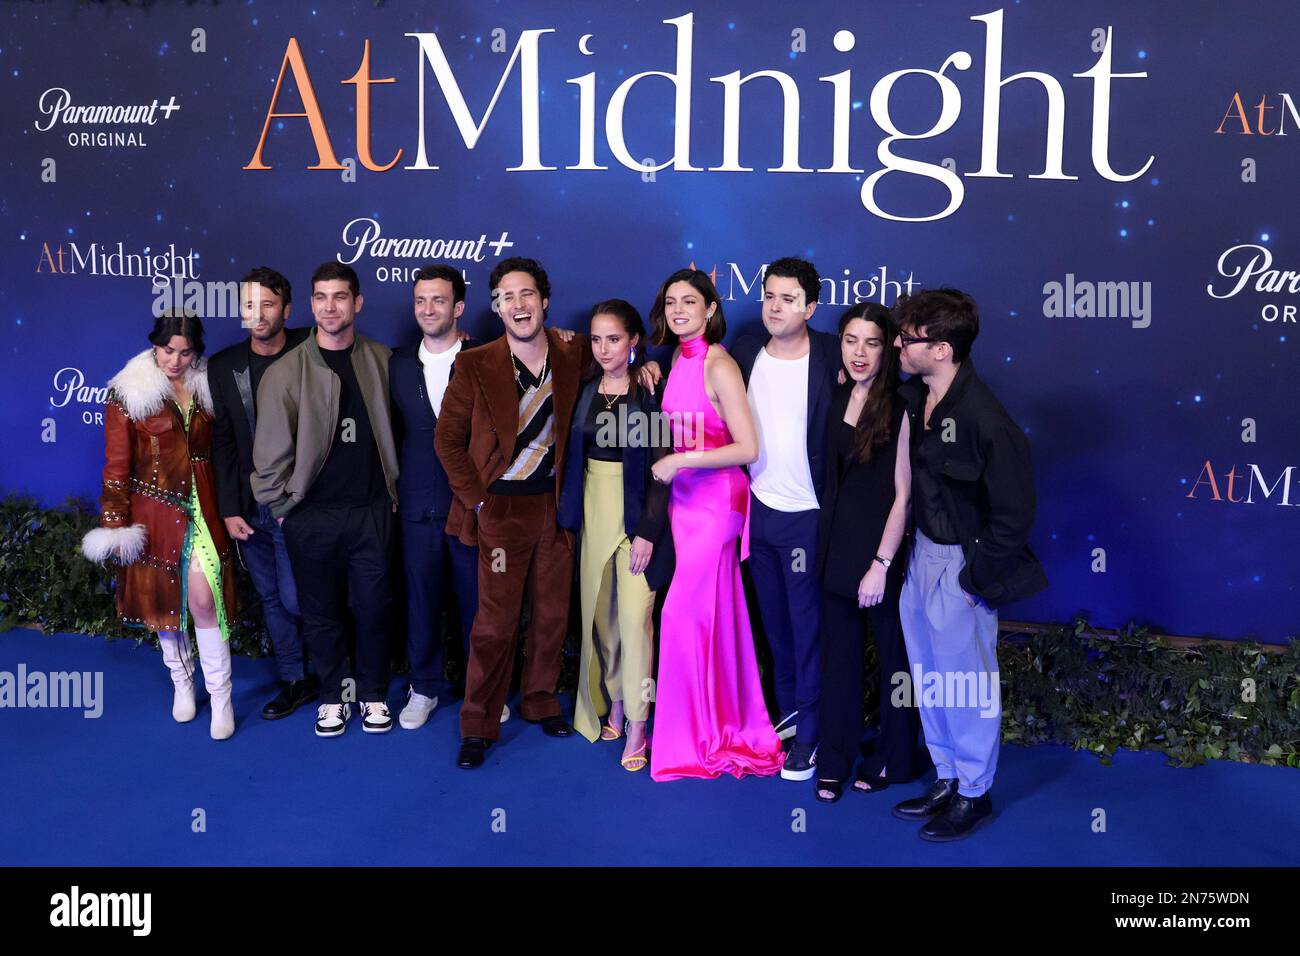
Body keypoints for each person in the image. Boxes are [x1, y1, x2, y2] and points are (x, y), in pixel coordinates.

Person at [889, 288, 1047, 841]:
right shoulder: (915, 397)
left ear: (942, 349)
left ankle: (975, 794)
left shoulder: (987, 421)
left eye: (908, 339)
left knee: (966, 685)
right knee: (930, 678)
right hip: (919, 557)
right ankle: (948, 776)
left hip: (962, 566)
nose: (898, 344)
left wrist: (974, 580)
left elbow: (1014, 514)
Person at [434, 256, 588, 769]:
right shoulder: (476, 363)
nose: (518, 305)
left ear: (544, 300)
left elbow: (616, 365)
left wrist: (644, 361)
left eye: (527, 294)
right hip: (501, 511)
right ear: (497, 307)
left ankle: (541, 700)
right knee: (495, 624)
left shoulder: (574, 352)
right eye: (506, 297)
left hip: (556, 508)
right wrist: (478, 499)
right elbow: (447, 441)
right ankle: (479, 721)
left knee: (551, 614)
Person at [252, 262, 400, 738]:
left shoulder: (382, 359)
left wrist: (391, 494)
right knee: (320, 612)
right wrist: (282, 510)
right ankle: (335, 695)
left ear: (357, 303)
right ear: (311, 304)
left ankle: (374, 693)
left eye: (340, 297)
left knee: (374, 607)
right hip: (310, 515)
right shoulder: (284, 372)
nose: (330, 306)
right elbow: (270, 450)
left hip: (371, 510)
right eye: (321, 297)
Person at [647, 268, 784, 781]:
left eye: (689, 301)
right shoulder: (675, 361)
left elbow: (747, 447)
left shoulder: (720, 364)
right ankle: (715, 724)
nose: (678, 310)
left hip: (717, 504)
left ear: (710, 308)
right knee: (714, 615)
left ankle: (694, 740)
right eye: (670, 302)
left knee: (683, 615)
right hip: (685, 505)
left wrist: (681, 462)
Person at [82, 312, 239, 740]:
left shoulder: (210, 386)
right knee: (165, 607)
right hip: (153, 511)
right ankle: (182, 683)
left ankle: (221, 697)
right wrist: (115, 522)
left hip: (203, 506)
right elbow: (116, 466)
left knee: (204, 602)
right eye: (168, 350)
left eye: (185, 352)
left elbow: (227, 449)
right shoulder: (128, 393)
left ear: (196, 352)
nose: (175, 359)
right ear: (155, 345)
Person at [730, 257, 842, 781]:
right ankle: (789, 717)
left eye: (788, 299)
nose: (775, 307)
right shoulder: (746, 350)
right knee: (773, 623)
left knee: (807, 627)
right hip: (758, 511)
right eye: (769, 296)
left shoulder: (831, 356)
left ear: (811, 307)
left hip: (809, 515)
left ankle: (812, 737)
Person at [813, 303, 927, 803]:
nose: (860, 352)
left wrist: (881, 564)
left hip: (881, 555)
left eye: (872, 342)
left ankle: (892, 756)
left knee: (893, 663)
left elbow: (903, 494)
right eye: (851, 340)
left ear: (889, 349)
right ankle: (834, 758)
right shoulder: (837, 394)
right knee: (838, 662)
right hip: (836, 549)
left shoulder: (903, 405)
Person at [557, 299, 674, 771]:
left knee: (634, 624)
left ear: (633, 342)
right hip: (591, 512)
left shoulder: (647, 394)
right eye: (596, 339)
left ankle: (640, 726)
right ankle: (616, 708)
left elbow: (659, 472)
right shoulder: (585, 386)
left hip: (635, 519)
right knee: (602, 625)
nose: (604, 349)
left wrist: (647, 531)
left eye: (614, 339)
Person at [209, 266, 316, 720]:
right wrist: (230, 509)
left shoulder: (313, 349)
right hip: (251, 508)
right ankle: (295, 680)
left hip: (302, 502)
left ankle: (330, 673)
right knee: (272, 598)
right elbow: (224, 443)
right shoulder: (223, 364)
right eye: (249, 304)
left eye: (267, 304)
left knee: (299, 597)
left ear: (286, 310)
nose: (257, 313)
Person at [388, 263, 482, 729]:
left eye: (439, 300)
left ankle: (478, 692)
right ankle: (422, 688)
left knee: (475, 603)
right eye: (421, 300)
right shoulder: (398, 364)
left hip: (470, 509)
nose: (428, 309)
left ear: (458, 307)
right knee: (421, 601)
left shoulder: (485, 360)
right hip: (417, 508)